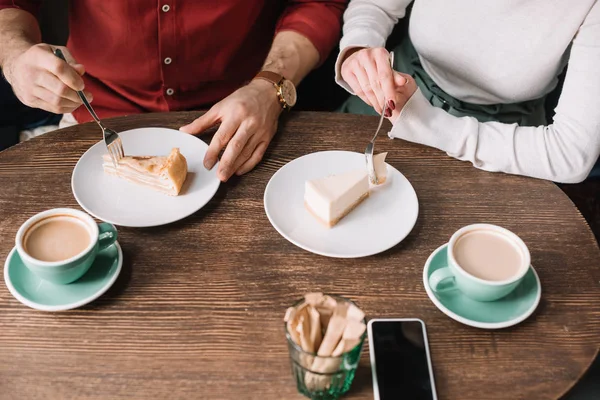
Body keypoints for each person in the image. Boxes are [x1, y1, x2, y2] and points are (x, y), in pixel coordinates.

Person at [0, 1, 347, 182]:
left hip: (246, 117)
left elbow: (318, 3)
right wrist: (15, 57)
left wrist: (270, 86)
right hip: (95, 114)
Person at [335, 0, 600, 183]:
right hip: (390, 91)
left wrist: (429, 125)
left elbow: (571, 154)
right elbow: (376, 5)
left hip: (506, 141)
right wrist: (358, 49)